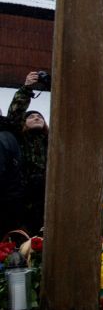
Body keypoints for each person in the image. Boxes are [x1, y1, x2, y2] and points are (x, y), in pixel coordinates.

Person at [7, 72, 48, 234]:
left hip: (46, 197)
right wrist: (26, 89)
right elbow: (15, 115)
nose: (36, 117)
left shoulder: (51, 142)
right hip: (22, 198)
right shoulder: (19, 138)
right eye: (31, 116)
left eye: (40, 116)